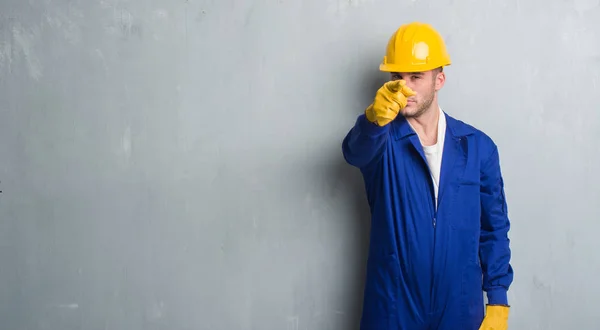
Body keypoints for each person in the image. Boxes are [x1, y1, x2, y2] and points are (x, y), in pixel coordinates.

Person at [341, 22, 514, 330]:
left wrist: (498, 300)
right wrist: (372, 121)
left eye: (416, 77)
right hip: (393, 308)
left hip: (460, 309)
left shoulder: (477, 148)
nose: (404, 87)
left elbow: (494, 229)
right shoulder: (381, 142)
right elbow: (354, 152)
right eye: (397, 77)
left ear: (439, 80)